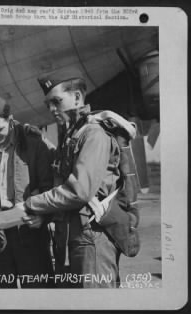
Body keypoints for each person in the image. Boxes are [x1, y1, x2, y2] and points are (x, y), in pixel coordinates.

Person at [23, 67, 122, 288]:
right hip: (70, 241)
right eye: (48, 104)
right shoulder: (71, 136)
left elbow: (79, 191)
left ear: (77, 97)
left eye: (56, 101)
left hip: (92, 241)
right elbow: (61, 182)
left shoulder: (93, 134)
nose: (51, 109)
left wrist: (32, 203)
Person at [0, 92, 54, 288]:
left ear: (10, 119)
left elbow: (50, 187)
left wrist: (43, 217)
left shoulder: (35, 143)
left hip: (30, 232)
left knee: (40, 298)